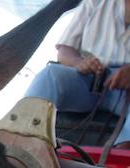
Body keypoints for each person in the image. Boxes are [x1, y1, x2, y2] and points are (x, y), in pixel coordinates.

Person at [25, 0, 130, 147]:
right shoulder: (94, 3)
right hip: (88, 80)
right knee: (50, 76)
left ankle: (123, 156)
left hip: (126, 92)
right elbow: (64, 52)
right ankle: (23, 141)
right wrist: (79, 62)